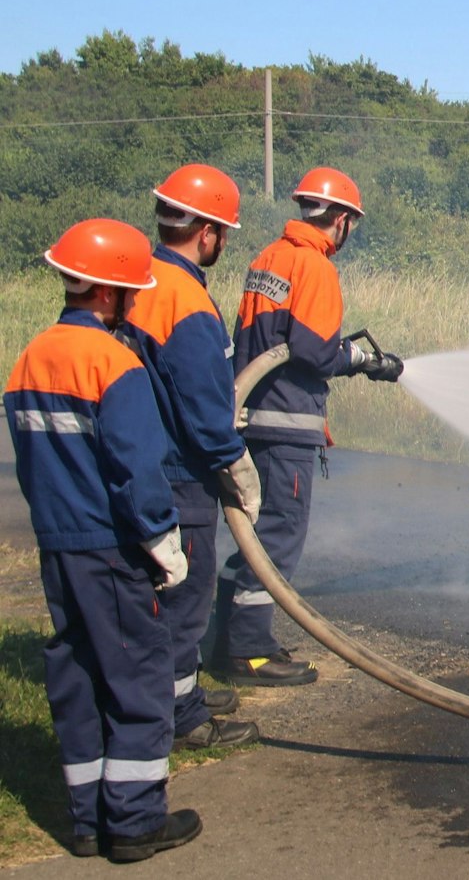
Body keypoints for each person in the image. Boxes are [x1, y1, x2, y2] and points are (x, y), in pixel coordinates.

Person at [5, 219, 203, 860]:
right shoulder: (114, 363)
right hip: (111, 549)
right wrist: (162, 540)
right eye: (132, 292)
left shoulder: (31, 357)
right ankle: (135, 822)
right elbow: (135, 470)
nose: (136, 303)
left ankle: (89, 822)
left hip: (59, 548)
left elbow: (36, 464)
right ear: (108, 291)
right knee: (139, 677)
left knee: (80, 675)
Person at [214, 167, 403, 685]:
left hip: (251, 418)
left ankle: (225, 640)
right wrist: (360, 359)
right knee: (277, 537)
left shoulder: (267, 259)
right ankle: (249, 652)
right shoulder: (314, 266)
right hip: (286, 423)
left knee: (253, 537)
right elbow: (314, 352)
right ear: (340, 219)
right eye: (351, 223)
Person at [122, 164, 264, 749]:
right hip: (180, 472)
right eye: (223, 231)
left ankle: (183, 692)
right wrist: (235, 462)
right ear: (207, 233)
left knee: (160, 592)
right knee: (185, 595)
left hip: (142, 462)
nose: (223, 241)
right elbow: (202, 403)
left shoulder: (138, 282)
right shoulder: (184, 299)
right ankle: (182, 718)